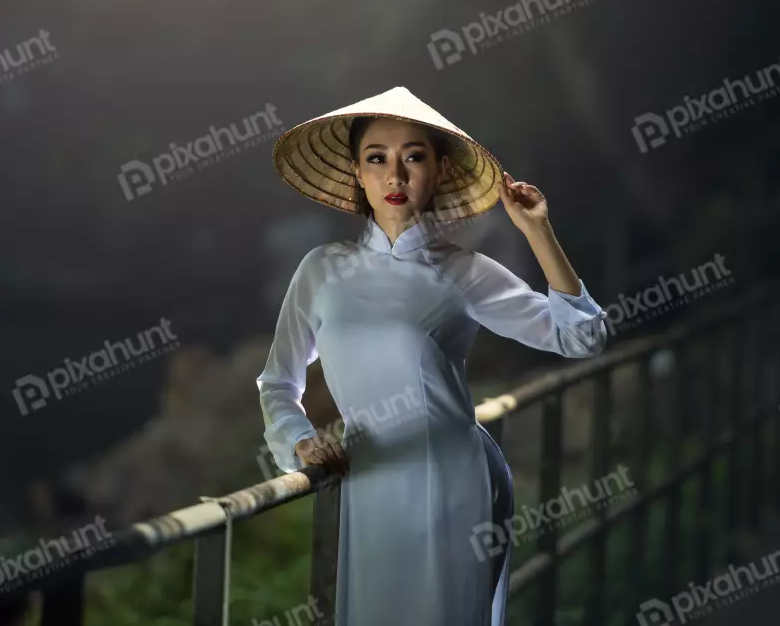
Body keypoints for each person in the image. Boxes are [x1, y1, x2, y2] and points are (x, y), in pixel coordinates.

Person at [257, 86, 608, 626]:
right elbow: (278, 383)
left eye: (413, 158)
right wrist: (298, 440)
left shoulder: (462, 270)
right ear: (356, 171)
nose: (394, 176)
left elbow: (582, 338)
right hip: (367, 478)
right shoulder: (321, 270)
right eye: (377, 159)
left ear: (439, 171)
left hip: (455, 481)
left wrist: (538, 232)